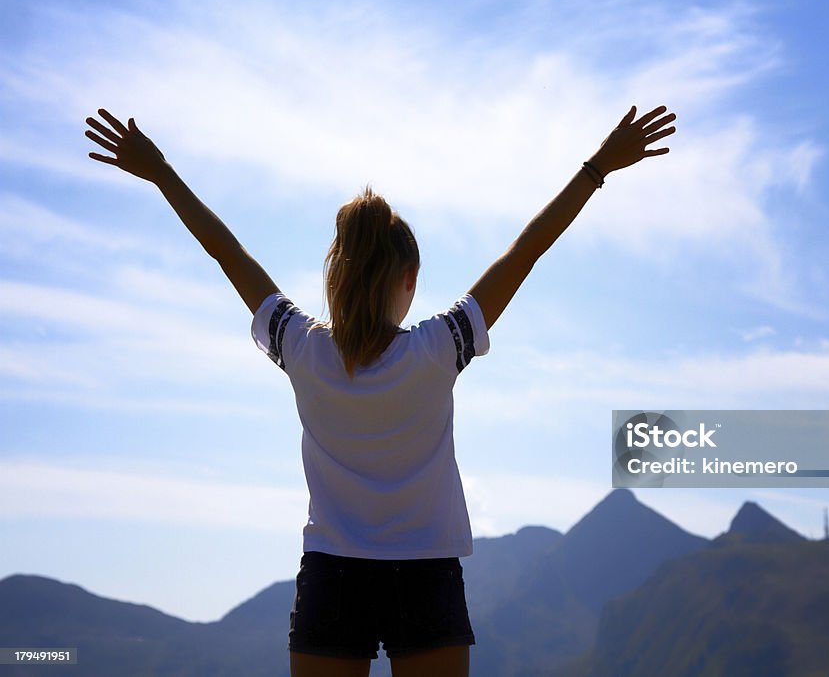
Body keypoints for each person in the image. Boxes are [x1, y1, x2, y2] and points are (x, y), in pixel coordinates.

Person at [85, 104, 675, 677]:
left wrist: (161, 172)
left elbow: (228, 252)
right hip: (426, 574)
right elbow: (526, 250)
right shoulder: (437, 349)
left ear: (337, 275)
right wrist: (597, 167)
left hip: (331, 577)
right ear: (409, 278)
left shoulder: (302, 348)